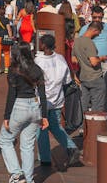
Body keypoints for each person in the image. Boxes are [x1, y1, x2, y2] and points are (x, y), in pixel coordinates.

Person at [0, 42, 49, 183]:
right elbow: (43, 94)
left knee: (5, 140)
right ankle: (28, 179)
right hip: (34, 105)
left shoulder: (14, 69)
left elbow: (11, 94)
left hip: (19, 105)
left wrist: (6, 116)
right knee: (28, 145)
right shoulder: (37, 69)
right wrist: (44, 115)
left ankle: (17, 174)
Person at [35, 34, 80, 169]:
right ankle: (71, 147)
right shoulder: (61, 59)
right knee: (55, 126)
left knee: (42, 128)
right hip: (57, 99)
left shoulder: (38, 61)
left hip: (42, 101)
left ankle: (45, 158)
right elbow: (67, 81)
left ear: (43, 45)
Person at [74, 20, 107, 125]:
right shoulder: (89, 43)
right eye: (98, 32)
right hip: (95, 77)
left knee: (84, 104)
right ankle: (95, 129)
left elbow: (74, 60)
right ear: (94, 30)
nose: (98, 35)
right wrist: (101, 58)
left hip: (83, 77)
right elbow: (94, 62)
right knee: (97, 106)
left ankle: (83, 127)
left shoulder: (77, 42)